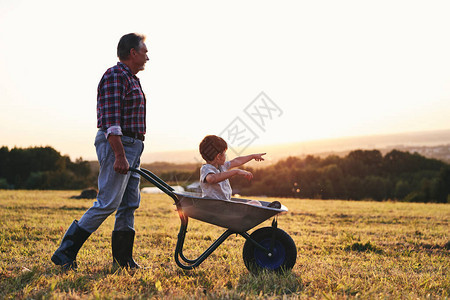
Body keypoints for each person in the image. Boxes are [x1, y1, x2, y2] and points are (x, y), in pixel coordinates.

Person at [51, 33, 149, 270]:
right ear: (132, 53)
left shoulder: (132, 78)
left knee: (128, 203)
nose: (148, 56)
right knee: (108, 202)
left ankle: (123, 260)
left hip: (132, 145)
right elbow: (111, 121)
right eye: (145, 51)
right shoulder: (115, 76)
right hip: (119, 144)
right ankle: (65, 252)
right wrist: (119, 154)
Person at [198, 135, 265, 205]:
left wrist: (252, 156)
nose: (226, 156)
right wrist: (236, 171)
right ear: (218, 157)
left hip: (225, 204)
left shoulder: (221, 166)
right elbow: (211, 179)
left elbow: (237, 161)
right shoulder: (206, 168)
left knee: (255, 203)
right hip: (214, 206)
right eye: (224, 153)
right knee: (255, 204)